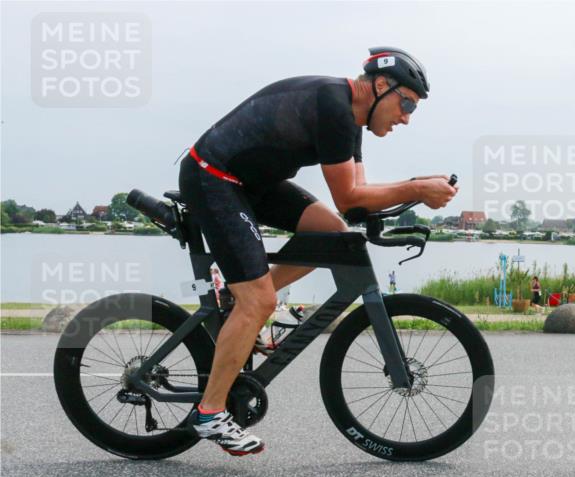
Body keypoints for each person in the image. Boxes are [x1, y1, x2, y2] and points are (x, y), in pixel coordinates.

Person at [178, 47, 457, 456]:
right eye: (407, 102)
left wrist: (417, 189)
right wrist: (417, 187)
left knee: (330, 234)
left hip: (250, 182)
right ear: (381, 85)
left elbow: (357, 204)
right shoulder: (333, 106)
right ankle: (210, 412)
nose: (406, 117)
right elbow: (348, 196)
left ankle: (239, 305)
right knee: (259, 300)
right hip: (214, 178)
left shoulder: (350, 121)